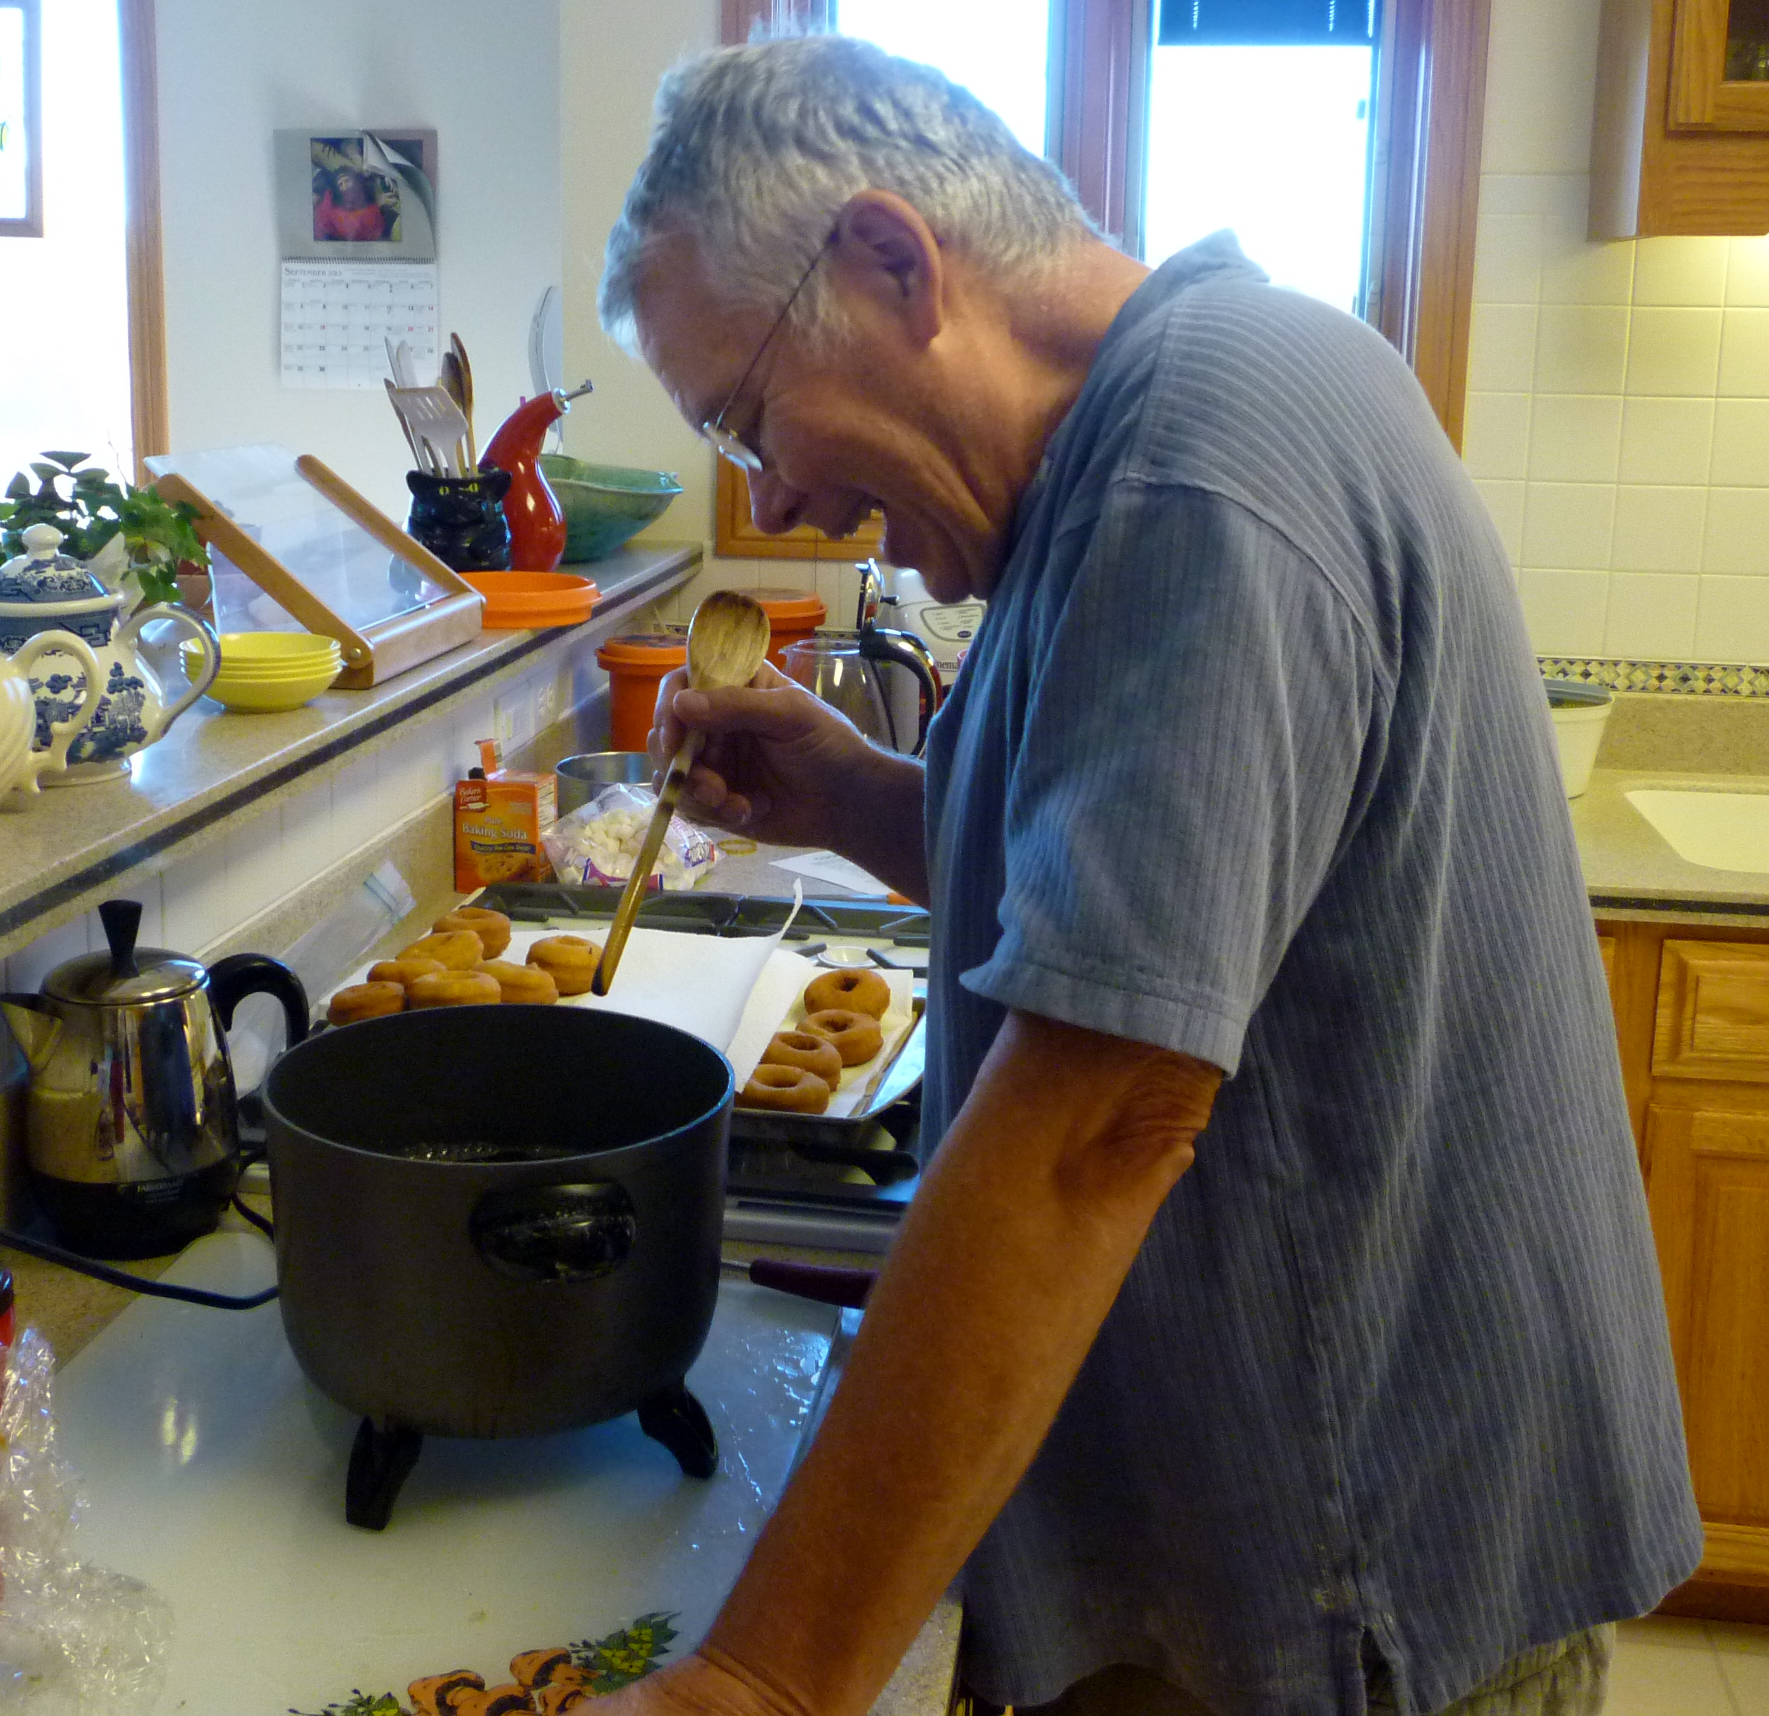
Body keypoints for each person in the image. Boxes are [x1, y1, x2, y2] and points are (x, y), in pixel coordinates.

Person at [591, 35, 1702, 1716]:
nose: (780, 497)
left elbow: (1101, 1127)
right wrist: (862, 802)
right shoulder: (1126, 454)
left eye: (751, 420)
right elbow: (1166, 916)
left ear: (896, 262)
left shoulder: (1201, 461)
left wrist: (758, 1677)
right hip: (1268, 1528)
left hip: (1359, 1561)